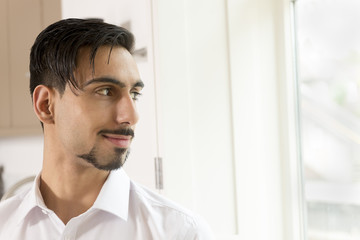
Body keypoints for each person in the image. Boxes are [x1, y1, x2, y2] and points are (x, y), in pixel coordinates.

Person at [0, 18, 214, 239]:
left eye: (134, 94)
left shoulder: (181, 233)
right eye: (105, 91)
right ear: (46, 105)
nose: (131, 116)